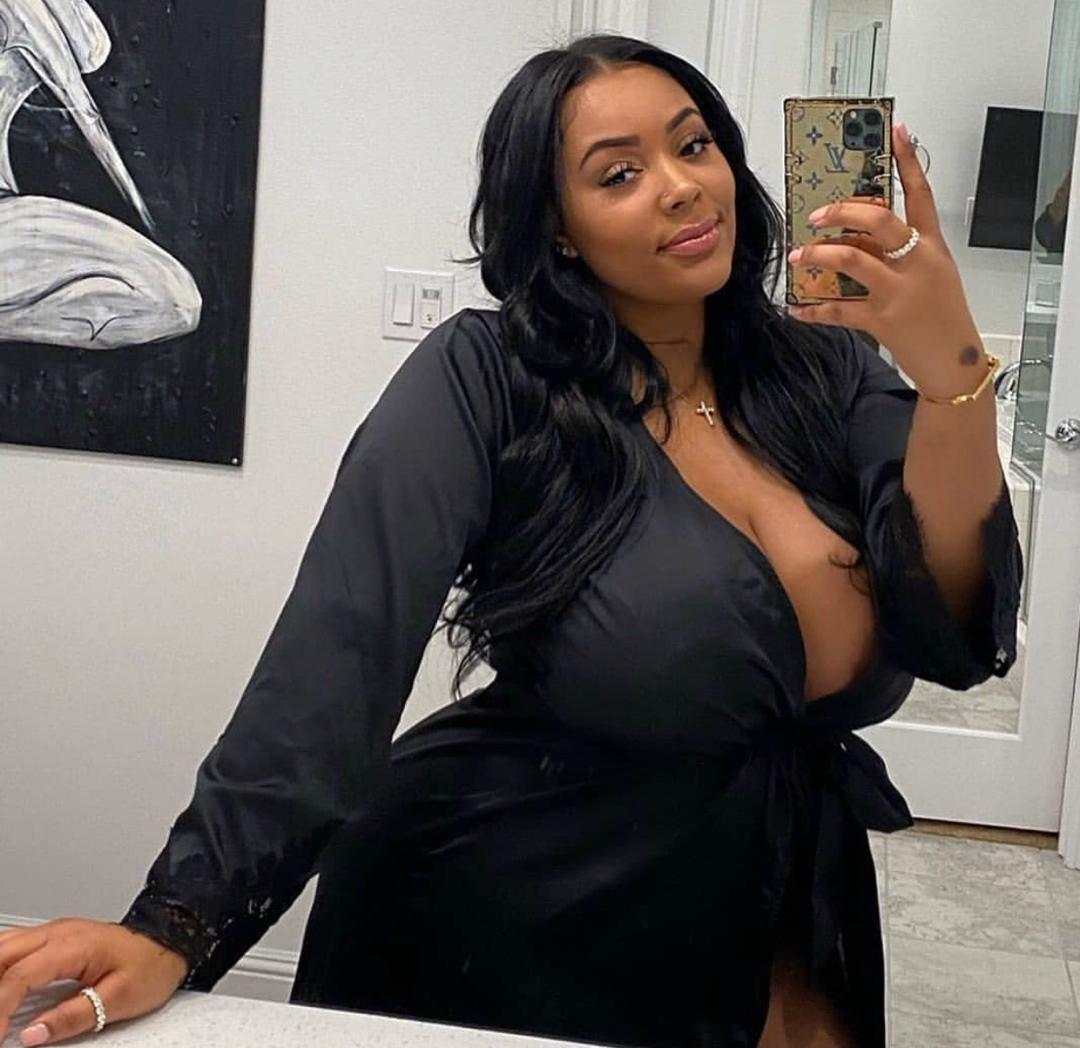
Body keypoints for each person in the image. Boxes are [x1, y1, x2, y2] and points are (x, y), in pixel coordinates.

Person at [0, 32, 1022, 1048]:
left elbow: (955, 627)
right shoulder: (488, 379)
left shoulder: (828, 374)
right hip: (509, 926)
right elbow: (337, 657)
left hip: (788, 912)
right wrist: (173, 924)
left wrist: (949, 367)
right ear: (559, 228)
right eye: (618, 173)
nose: (679, 187)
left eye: (693, 145)